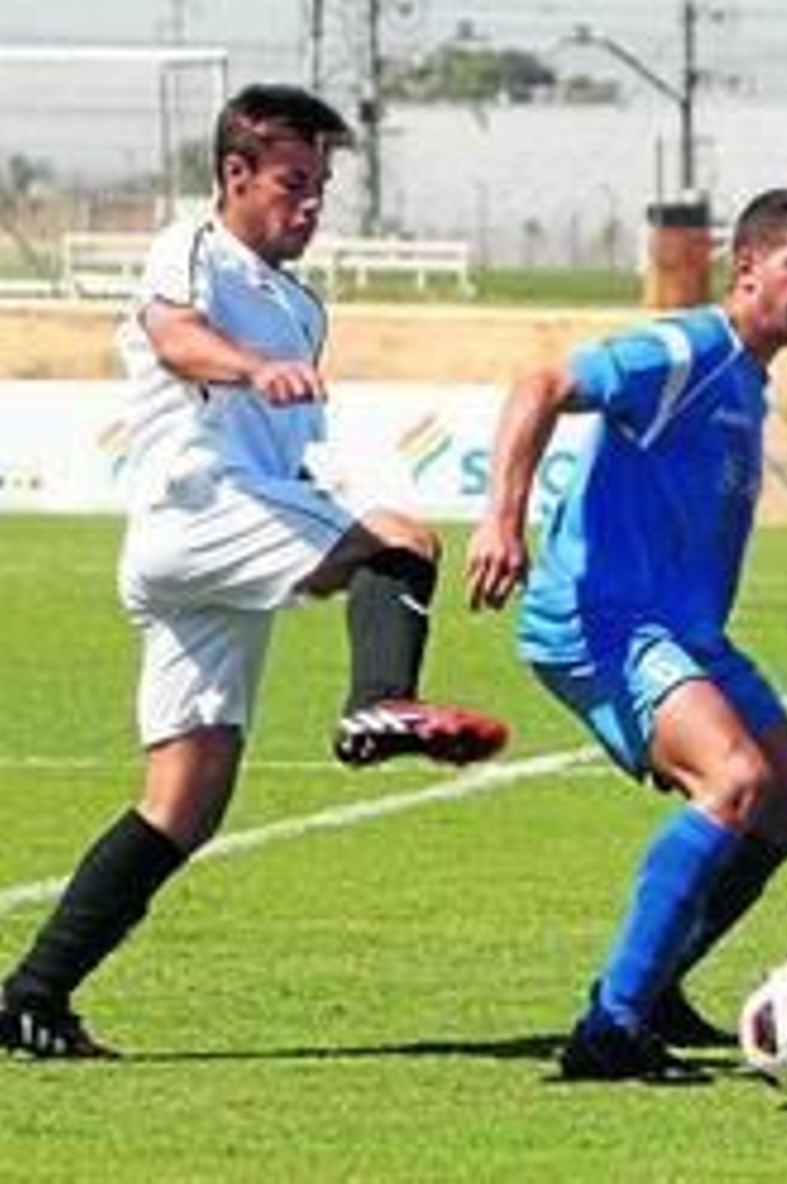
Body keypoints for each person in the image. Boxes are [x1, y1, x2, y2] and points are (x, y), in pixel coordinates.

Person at [0, 84, 507, 1060]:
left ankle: (31, 996)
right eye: (291, 183)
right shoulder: (192, 248)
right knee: (404, 538)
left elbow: (286, 450)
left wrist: (320, 534)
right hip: (199, 508)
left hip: (216, 542)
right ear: (235, 174)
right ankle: (379, 705)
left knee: (184, 802)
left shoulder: (302, 307)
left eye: (320, 187)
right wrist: (248, 366)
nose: (309, 206)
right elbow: (174, 335)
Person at [466, 188, 787, 1082]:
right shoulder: (688, 350)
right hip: (604, 619)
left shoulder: (747, 379)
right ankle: (609, 1029)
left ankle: (656, 980)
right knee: (736, 780)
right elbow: (541, 384)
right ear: (746, 267)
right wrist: (502, 519)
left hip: (683, 630)